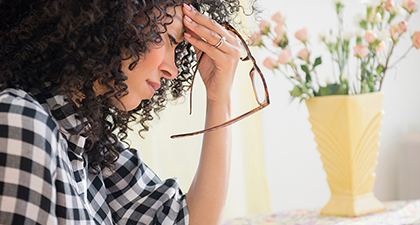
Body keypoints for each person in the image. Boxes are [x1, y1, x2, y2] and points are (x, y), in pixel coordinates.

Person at [0, 0, 258, 224]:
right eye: (168, 40)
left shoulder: (88, 143)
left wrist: (219, 97)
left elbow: (189, 221)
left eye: (177, 49)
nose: (173, 70)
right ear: (116, 18)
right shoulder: (21, 123)